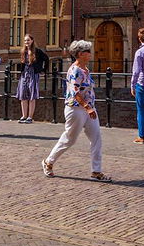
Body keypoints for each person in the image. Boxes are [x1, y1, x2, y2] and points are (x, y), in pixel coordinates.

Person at [42, 40, 110, 182]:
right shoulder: (75, 71)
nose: (91, 54)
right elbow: (75, 92)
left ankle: (96, 171)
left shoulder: (86, 69)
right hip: (76, 109)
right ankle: (49, 162)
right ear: (80, 54)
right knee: (69, 139)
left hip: (89, 109)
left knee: (96, 138)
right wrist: (87, 107)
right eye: (88, 51)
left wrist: (90, 107)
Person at [16, 34, 48, 123]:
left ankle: (30, 117)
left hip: (33, 74)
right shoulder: (23, 51)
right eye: (25, 40)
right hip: (24, 75)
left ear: (32, 41)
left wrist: (43, 69)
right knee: (23, 95)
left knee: (32, 95)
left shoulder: (37, 51)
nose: (26, 42)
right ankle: (23, 116)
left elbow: (46, 58)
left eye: (28, 40)